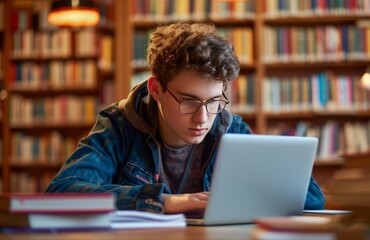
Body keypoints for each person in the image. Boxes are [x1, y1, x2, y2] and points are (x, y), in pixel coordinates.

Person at [45, 22, 325, 214]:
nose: (204, 118)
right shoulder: (119, 124)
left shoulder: (231, 129)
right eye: (189, 101)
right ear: (156, 89)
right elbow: (61, 193)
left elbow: (312, 199)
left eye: (214, 101)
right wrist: (166, 202)